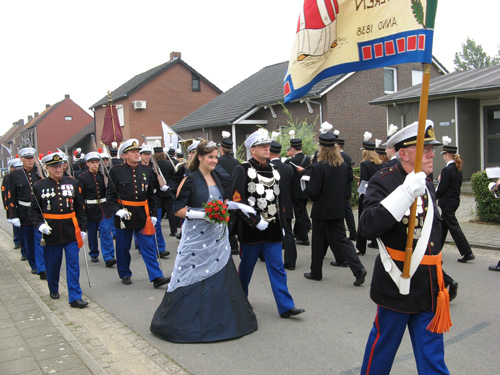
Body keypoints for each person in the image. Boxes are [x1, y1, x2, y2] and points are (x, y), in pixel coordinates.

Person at [359, 121, 450, 375]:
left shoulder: (427, 183)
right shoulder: (384, 181)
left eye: (432, 148)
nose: (432, 153)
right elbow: (366, 226)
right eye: (426, 148)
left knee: (433, 360)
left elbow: (432, 237)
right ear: (405, 153)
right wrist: (405, 193)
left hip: (429, 286)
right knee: (382, 352)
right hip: (397, 283)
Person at [150, 140, 258, 343]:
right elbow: (178, 209)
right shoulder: (189, 179)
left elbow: (224, 199)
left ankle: (223, 320)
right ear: (199, 157)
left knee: (222, 274)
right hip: (197, 238)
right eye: (210, 157)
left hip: (217, 236)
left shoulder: (218, 175)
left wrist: (237, 206)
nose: (215, 160)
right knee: (194, 272)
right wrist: (204, 215)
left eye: (216, 156)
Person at [231, 129, 305, 319]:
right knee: (246, 268)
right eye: (262, 146)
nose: (267, 148)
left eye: (268, 145)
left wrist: (281, 223)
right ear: (252, 149)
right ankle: (239, 301)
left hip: (272, 227)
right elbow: (237, 202)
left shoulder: (273, 169)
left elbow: (278, 200)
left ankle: (286, 306)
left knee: (277, 267)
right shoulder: (242, 168)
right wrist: (255, 221)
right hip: (251, 228)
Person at [304, 132, 367, 285]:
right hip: (337, 209)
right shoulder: (343, 166)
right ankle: (358, 268)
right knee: (343, 240)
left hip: (321, 210)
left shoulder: (318, 167)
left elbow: (313, 193)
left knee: (318, 242)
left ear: (321, 148)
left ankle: (316, 272)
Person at [106, 139, 170, 288]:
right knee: (123, 247)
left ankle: (156, 276)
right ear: (124, 155)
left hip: (142, 214)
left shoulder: (146, 171)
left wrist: (153, 214)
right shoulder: (116, 171)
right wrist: (117, 211)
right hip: (124, 215)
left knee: (148, 246)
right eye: (133, 152)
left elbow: (151, 195)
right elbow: (110, 196)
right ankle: (125, 273)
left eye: (137, 152)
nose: (137, 154)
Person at [30, 151, 88, 308]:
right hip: (52, 231)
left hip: (70, 230)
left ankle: (75, 296)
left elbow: (80, 208)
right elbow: (34, 212)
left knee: (73, 264)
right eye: (54, 167)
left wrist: (83, 229)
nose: (58, 169)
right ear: (47, 168)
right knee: (53, 264)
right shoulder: (39, 187)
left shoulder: (73, 183)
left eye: (60, 166)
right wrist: (40, 225)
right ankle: (53, 286)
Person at [7, 147, 46, 278]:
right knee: (28, 240)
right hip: (24, 212)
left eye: (32, 158)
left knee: (39, 239)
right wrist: (12, 215)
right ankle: (33, 264)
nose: (30, 161)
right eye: (27, 159)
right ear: (22, 160)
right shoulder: (14, 176)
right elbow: (10, 196)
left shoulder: (39, 174)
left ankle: (41, 267)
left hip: (39, 211)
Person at [436, 138, 475, 263]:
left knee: (453, 227)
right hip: (454, 201)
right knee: (443, 227)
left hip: (447, 202)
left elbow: (442, 188)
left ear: (447, 155)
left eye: (444, 155)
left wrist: (433, 196)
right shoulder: (457, 169)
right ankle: (436, 250)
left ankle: (467, 252)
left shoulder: (447, 170)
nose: (443, 157)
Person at [77, 151, 116, 266]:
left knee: (105, 231)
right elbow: (80, 196)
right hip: (90, 209)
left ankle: (109, 256)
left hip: (104, 208)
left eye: (96, 162)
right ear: (87, 164)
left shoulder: (104, 175)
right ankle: (94, 252)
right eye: (92, 162)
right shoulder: (82, 178)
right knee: (92, 233)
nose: (95, 165)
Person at [269, 141, 297, 270]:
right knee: (288, 232)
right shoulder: (288, 168)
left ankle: (267, 258)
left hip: (270, 205)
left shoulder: (267, 168)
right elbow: (292, 188)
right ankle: (290, 261)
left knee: (268, 231)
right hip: (286, 204)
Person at [356, 132, 383, 254]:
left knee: (362, 220)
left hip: (366, 195)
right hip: (378, 195)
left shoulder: (364, 164)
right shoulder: (381, 164)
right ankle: (378, 243)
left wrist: (359, 188)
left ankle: (361, 247)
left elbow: (364, 181)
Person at [217, 131, 240, 254]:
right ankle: (233, 244)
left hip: (221, 193)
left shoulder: (217, 161)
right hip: (233, 194)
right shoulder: (236, 162)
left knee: (223, 220)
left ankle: (230, 244)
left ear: (221, 148)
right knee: (232, 218)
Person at [286, 138, 311, 246]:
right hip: (306, 191)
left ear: (293, 148)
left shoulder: (290, 162)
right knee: (302, 212)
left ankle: (304, 238)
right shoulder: (308, 159)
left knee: (299, 215)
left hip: (295, 192)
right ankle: (298, 233)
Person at [3, 158, 25, 258]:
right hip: (14, 205)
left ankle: (23, 245)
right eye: (16, 168)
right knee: (16, 225)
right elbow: (5, 192)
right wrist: (7, 206)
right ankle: (17, 241)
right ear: (12, 168)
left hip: (23, 206)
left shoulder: (24, 175)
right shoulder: (8, 178)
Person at [336, 134, 357, 241]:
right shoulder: (348, 158)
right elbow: (350, 176)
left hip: (337, 191)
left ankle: (340, 234)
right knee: (348, 213)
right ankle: (353, 233)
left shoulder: (335, 157)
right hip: (345, 189)